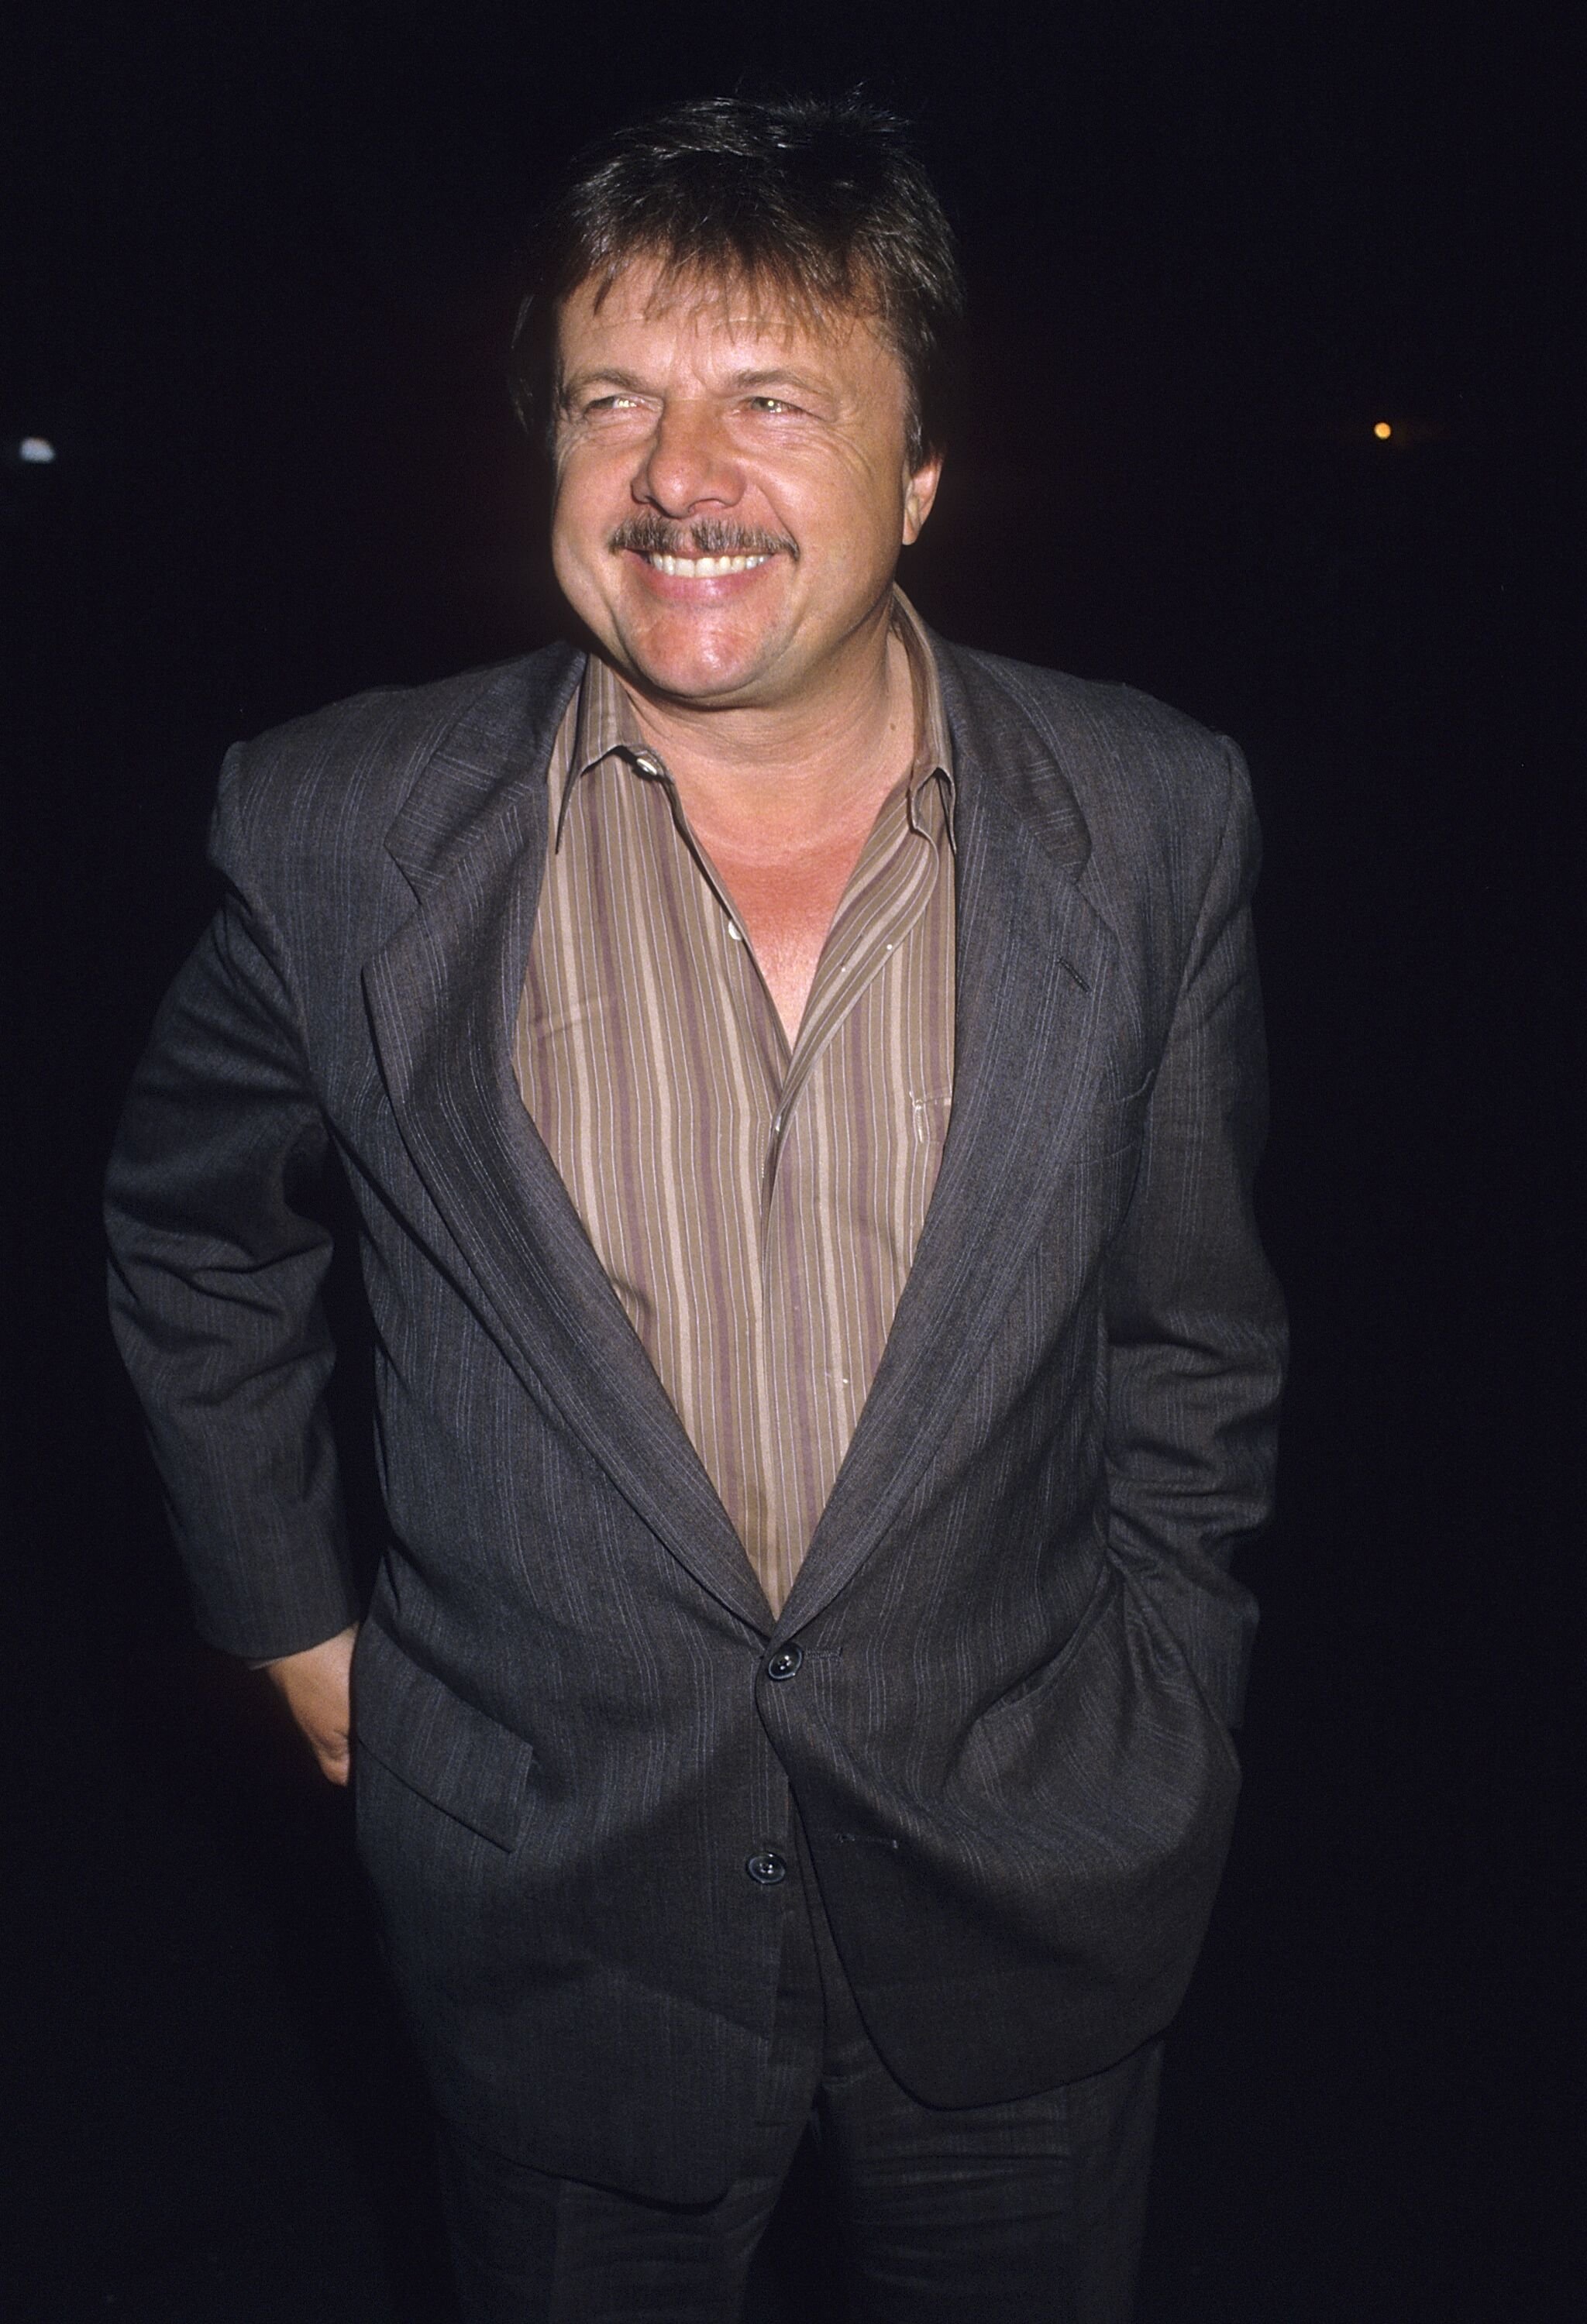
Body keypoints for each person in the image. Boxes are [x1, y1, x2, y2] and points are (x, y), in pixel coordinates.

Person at [105, 95, 1286, 2323]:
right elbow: (196, 1240)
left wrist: (1172, 1697)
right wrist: (287, 1609)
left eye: (772, 399)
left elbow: (1193, 1332)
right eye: (613, 400)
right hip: (552, 1924)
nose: (677, 476)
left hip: (1030, 1899)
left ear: (918, 475)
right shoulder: (334, 826)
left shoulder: (1153, 815)